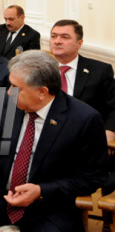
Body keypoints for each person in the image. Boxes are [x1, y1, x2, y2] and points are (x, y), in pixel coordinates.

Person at [0, 51, 108, 232]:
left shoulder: (84, 119)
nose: (9, 92)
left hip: (49, 202)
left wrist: (41, 190)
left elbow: (93, 177)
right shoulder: (5, 103)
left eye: (16, 87)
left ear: (42, 92)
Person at [49, 19, 115, 193]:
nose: (57, 41)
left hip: (85, 143)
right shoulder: (39, 70)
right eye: (54, 36)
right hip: (46, 140)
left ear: (80, 43)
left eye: (65, 37)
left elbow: (113, 107)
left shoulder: (100, 70)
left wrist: (108, 133)